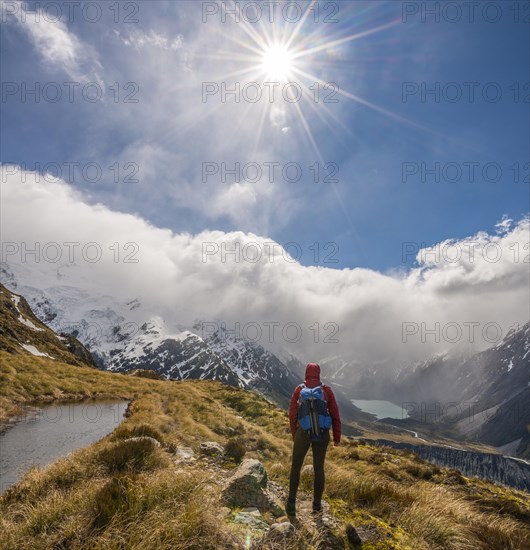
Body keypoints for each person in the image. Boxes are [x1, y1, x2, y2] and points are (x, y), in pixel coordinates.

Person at [286, 362, 341, 517]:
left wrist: (295, 433)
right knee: (318, 469)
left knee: (296, 467)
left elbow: (292, 414)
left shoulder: (299, 390)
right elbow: (335, 414)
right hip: (322, 434)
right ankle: (316, 507)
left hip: (302, 433)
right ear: (318, 373)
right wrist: (336, 437)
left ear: (306, 373)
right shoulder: (326, 390)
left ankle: (291, 504)